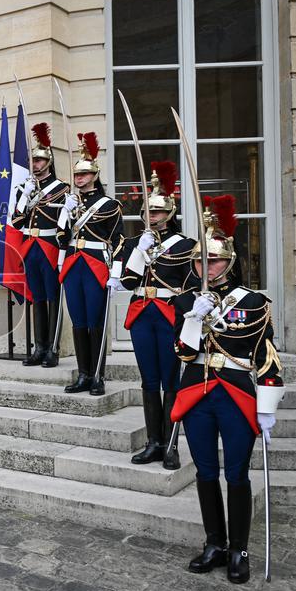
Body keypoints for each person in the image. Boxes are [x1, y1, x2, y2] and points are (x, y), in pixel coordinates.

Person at [171, 194, 284, 584]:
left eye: (214, 260)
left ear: (229, 261)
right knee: (204, 472)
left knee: (236, 474)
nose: (206, 266)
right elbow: (183, 353)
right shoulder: (186, 299)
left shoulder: (252, 302)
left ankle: (239, 548)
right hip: (197, 393)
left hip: (236, 395)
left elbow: (267, 357)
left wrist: (267, 406)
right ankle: (214, 543)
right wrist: (192, 318)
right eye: (201, 260)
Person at [110, 162, 194, 469]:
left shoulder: (186, 246)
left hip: (169, 314)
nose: (152, 217)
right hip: (142, 315)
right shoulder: (134, 244)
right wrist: (138, 252)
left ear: (170, 213)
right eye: (148, 212)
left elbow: (192, 286)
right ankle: (153, 442)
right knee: (149, 381)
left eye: (158, 212)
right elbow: (128, 282)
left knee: (171, 381)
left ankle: (171, 445)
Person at [58, 132, 123, 396]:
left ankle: (98, 375)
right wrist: (65, 212)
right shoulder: (71, 204)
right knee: (79, 322)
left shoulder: (109, 205)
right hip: (74, 265)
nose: (79, 179)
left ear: (95, 176)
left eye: (84, 174)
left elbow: (119, 240)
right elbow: (62, 238)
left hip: (96, 265)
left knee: (95, 322)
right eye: (77, 175)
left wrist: (116, 271)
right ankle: (83, 373)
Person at [13, 122, 69, 367]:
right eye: (33, 161)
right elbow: (16, 221)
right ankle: (39, 347)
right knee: (37, 298)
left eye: (39, 160)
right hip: (30, 247)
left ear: (48, 162)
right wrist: (25, 196)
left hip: (50, 246)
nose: (34, 164)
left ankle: (53, 349)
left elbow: (64, 224)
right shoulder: (25, 188)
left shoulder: (62, 189)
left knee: (53, 297)